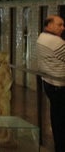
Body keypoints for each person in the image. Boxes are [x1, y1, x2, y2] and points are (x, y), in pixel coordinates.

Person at [37, 15, 65, 152]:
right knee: (60, 119)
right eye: (59, 25)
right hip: (59, 86)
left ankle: (59, 145)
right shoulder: (56, 41)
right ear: (49, 25)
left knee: (56, 116)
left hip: (48, 83)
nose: (63, 28)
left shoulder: (41, 37)